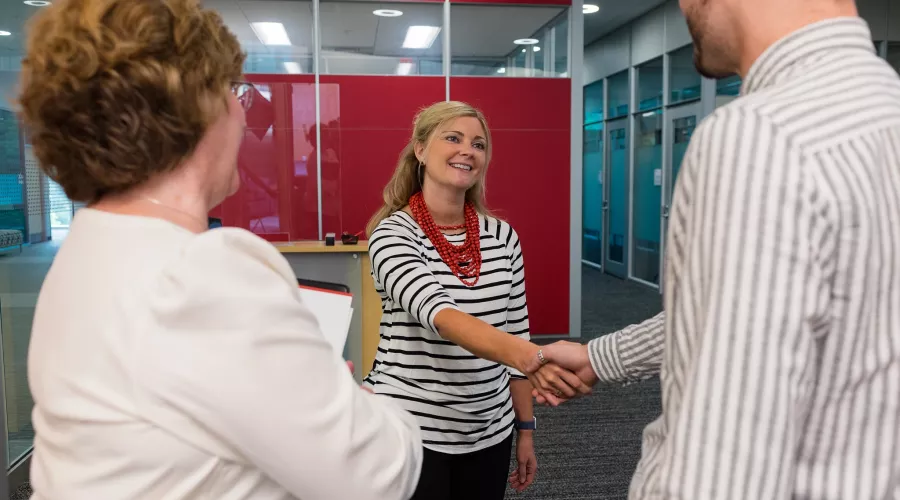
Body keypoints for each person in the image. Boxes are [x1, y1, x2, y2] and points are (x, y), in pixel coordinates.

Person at [20, 1, 423, 498]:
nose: (240, 109)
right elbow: (381, 476)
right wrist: (365, 401)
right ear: (200, 105)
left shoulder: (88, 250)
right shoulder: (200, 273)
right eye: (234, 90)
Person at [539, 0, 900, 498]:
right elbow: (772, 308)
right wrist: (601, 356)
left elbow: (725, 463)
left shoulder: (764, 136)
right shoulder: (882, 111)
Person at [363, 101, 587, 500]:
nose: (468, 150)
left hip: (489, 430)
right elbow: (442, 316)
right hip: (411, 430)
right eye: (453, 138)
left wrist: (525, 430)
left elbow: (515, 329)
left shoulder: (502, 236)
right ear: (420, 150)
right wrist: (532, 357)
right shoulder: (393, 234)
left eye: (479, 144)